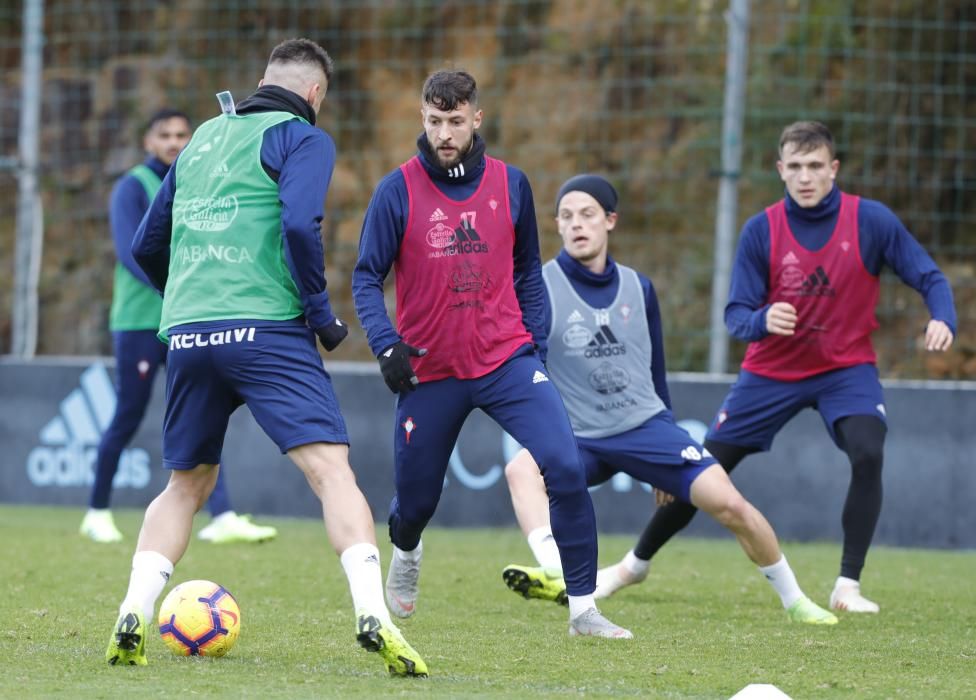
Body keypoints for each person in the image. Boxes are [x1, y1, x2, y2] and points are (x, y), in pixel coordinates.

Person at [104, 38, 427, 677]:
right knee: (332, 474)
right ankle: (373, 614)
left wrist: (191, 296)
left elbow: (146, 246)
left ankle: (132, 609)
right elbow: (301, 224)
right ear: (315, 94)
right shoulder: (302, 137)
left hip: (190, 332)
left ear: (265, 78)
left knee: (185, 484)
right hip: (268, 329)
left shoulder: (201, 137)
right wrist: (318, 312)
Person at [590, 121, 957, 614]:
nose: (805, 177)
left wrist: (943, 316)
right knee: (701, 470)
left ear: (834, 169)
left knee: (869, 452)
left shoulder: (871, 221)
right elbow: (735, 316)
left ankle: (847, 586)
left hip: (844, 370)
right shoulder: (761, 229)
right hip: (770, 374)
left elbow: (928, 275)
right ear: (781, 170)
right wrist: (764, 318)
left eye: (815, 166)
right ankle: (633, 565)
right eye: (796, 167)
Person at [352, 70, 631, 639]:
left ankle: (583, 609)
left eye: (456, 121)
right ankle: (406, 553)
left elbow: (528, 268)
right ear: (422, 119)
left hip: (508, 360)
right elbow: (364, 277)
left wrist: (533, 340)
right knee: (415, 504)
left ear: (477, 119)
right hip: (430, 370)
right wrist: (386, 344)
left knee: (566, 467)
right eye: (435, 121)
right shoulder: (397, 189)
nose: (445, 133)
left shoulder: (512, 184)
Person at [501, 174, 838, 625]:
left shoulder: (639, 288)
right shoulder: (539, 288)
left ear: (610, 220)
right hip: (579, 435)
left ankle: (796, 601)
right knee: (520, 469)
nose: (576, 225)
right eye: (566, 217)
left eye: (587, 214)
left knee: (731, 505)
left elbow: (654, 369)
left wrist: (668, 435)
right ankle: (555, 569)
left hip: (646, 429)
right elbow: (527, 364)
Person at [80, 108, 277, 546]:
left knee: (204, 416)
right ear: (149, 142)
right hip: (141, 323)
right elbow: (133, 253)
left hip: (187, 320)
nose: (173, 142)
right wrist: (179, 289)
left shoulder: (199, 179)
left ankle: (221, 514)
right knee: (128, 414)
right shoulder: (132, 186)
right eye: (164, 135)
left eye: (181, 135)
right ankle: (96, 510)